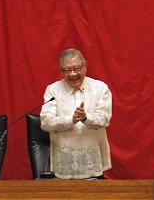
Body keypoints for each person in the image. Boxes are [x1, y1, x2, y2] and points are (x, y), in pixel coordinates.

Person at [40, 48, 112, 179]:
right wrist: (70, 120)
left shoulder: (100, 88)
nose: (72, 74)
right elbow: (46, 123)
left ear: (85, 66)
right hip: (63, 165)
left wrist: (86, 118)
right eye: (67, 70)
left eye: (76, 69)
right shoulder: (53, 90)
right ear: (61, 71)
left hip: (93, 164)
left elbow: (104, 119)